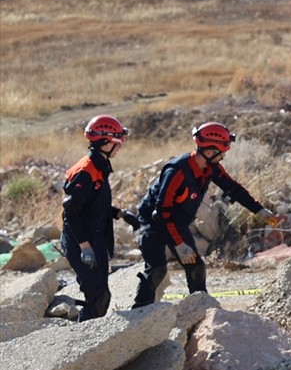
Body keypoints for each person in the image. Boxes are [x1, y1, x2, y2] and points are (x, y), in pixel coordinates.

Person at [132, 122, 273, 308]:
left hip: (176, 222)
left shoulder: (210, 168)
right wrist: (180, 245)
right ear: (208, 152)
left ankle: (201, 310)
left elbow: (233, 188)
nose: (224, 156)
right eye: (222, 152)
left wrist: (259, 209)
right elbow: (162, 212)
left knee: (196, 267)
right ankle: (139, 314)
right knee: (157, 269)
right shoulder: (176, 171)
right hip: (153, 223)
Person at [60, 115, 140, 321]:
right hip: (83, 242)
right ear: (104, 143)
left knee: (101, 296)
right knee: (97, 297)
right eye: (117, 142)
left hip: (95, 239)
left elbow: (94, 203)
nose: (120, 146)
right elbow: (71, 213)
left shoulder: (100, 166)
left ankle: (87, 337)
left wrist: (120, 214)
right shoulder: (86, 171)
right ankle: (82, 342)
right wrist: (85, 247)